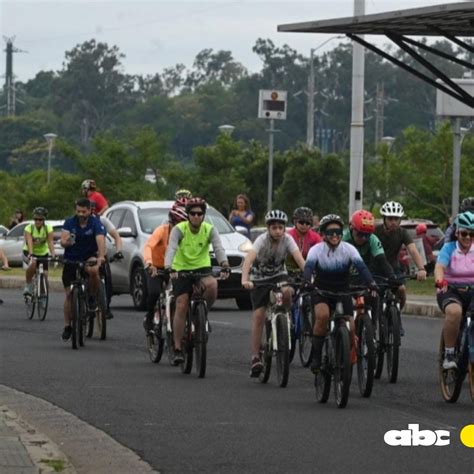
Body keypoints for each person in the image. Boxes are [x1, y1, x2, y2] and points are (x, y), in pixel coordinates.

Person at [304, 214, 378, 374]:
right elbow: (308, 268)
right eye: (330, 232)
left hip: (343, 291)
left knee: (351, 328)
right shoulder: (316, 250)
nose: (335, 235)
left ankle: (343, 355)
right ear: (323, 234)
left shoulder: (349, 249)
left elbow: (362, 268)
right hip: (321, 291)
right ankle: (316, 357)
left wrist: (371, 283)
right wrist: (306, 282)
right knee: (322, 316)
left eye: (338, 231)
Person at [164, 197, 230, 364]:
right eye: (192, 213)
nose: (196, 216)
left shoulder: (209, 229)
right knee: (181, 303)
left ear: (203, 215)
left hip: (202, 269)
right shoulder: (179, 229)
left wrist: (224, 264)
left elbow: (218, 248)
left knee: (213, 285)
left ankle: (202, 315)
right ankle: (178, 348)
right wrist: (169, 267)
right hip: (181, 270)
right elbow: (171, 248)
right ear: (188, 215)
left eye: (199, 213)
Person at [241, 210, 305, 377]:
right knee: (259, 315)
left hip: (279, 275)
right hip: (259, 278)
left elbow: (299, 259)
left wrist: (309, 275)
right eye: (274, 227)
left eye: (281, 227)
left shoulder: (288, 239)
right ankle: (256, 357)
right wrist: (244, 279)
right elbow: (248, 260)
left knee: (288, 291)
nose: (278, 231)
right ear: (268, 228)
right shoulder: (261, 240)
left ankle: (285, 318)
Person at [60, 198, 106, 341]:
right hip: (71, 260)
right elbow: (62, 241)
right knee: (68, 295)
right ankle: (68, 326)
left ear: (89, 211)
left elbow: (100, 239)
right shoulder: (69, 222)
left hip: (88, 257)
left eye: (83, 211)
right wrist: (67, 242)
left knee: (93, 270)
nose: (80, 214)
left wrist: (101, 256)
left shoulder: (95, 223)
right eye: (78, 211)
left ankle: (92, 296)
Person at [434, 211, 474, 370]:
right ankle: (449, 354)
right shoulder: (449, 248)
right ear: (457, 233)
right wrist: (439, 280)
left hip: (472, 290)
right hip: (450, 289)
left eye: (472, 234)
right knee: (455, 312)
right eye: (464, 233)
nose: (468, 237)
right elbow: (439, 267)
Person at [142, 200, 188, 332]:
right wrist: (149, 264)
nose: (180, 228)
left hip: (175, 268)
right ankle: (149, 316)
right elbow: (148, 246)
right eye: (177, 224)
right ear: (171, 222)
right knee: (155, 292)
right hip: (157, 268)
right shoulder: (162, 231)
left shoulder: (187, 234)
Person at [374, 201, 427, 314]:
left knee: (401, 289)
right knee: (373, 296)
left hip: (394, 269)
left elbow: (412, 250)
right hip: (376, 271)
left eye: (396, 219)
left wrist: (421, 269)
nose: (393, 222)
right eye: (390, 219)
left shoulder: (402, 233)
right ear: (384, 219)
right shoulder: (375, 231)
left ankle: (397, 316)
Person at [22, 207, 57, 295]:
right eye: (36, 219)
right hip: (29, 251)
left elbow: (50, 242)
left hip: (42, 253)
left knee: (45, 275)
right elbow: (29, 241)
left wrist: (53, 254)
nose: (38, 221)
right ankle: (28, 285)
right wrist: (31, 253)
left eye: (40, 219)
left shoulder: (48, 228)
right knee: (33, 263)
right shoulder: (29, 228)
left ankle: (42, 295)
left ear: (44, 220)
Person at [287, 206, 321, 271]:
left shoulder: (315, 237)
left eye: (307, 223)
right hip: (289, 271)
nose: (304, 225)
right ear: (295, 221)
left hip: (310, 271)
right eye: (301, 222)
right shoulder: (288, 236)